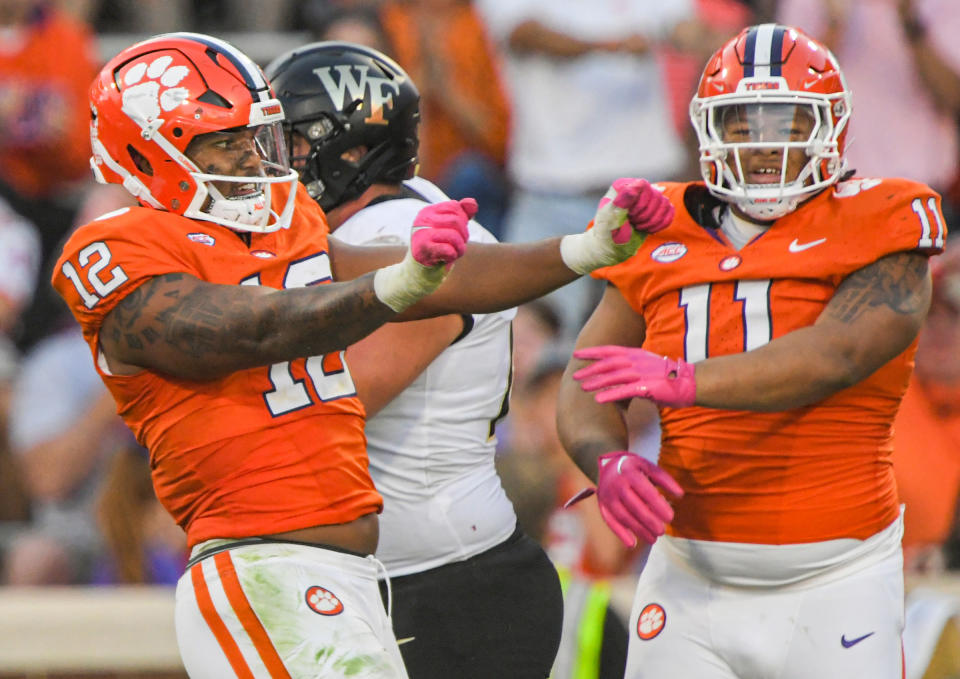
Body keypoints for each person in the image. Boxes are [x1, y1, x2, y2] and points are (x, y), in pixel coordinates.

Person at [51, 32, 672, 678]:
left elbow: (447, 278)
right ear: (147, 152)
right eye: (224, 144)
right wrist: (395, 287)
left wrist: (583, 249)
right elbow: (251, 327)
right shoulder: (115, 250)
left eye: (255, 139)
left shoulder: (280, 230)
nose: (254, 163)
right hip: (262, 567)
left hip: (355, 575)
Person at [557, 24, 948, 679]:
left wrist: (685, 378)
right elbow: (587, 378)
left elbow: (836, 354)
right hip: (689, 574)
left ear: (829, 128)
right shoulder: (664, 225)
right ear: (710, 130)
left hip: (835, 578)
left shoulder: (883, 217)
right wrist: (607, 458)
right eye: (743, 122)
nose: (764, 142)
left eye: (786, 120)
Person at [264, 40, 645, 678]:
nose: (275, 166)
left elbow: (334, 399)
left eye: (292, 146)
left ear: (351, 151)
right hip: (399, 578)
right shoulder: (365, 230)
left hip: (445, 585)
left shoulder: (410, 236)